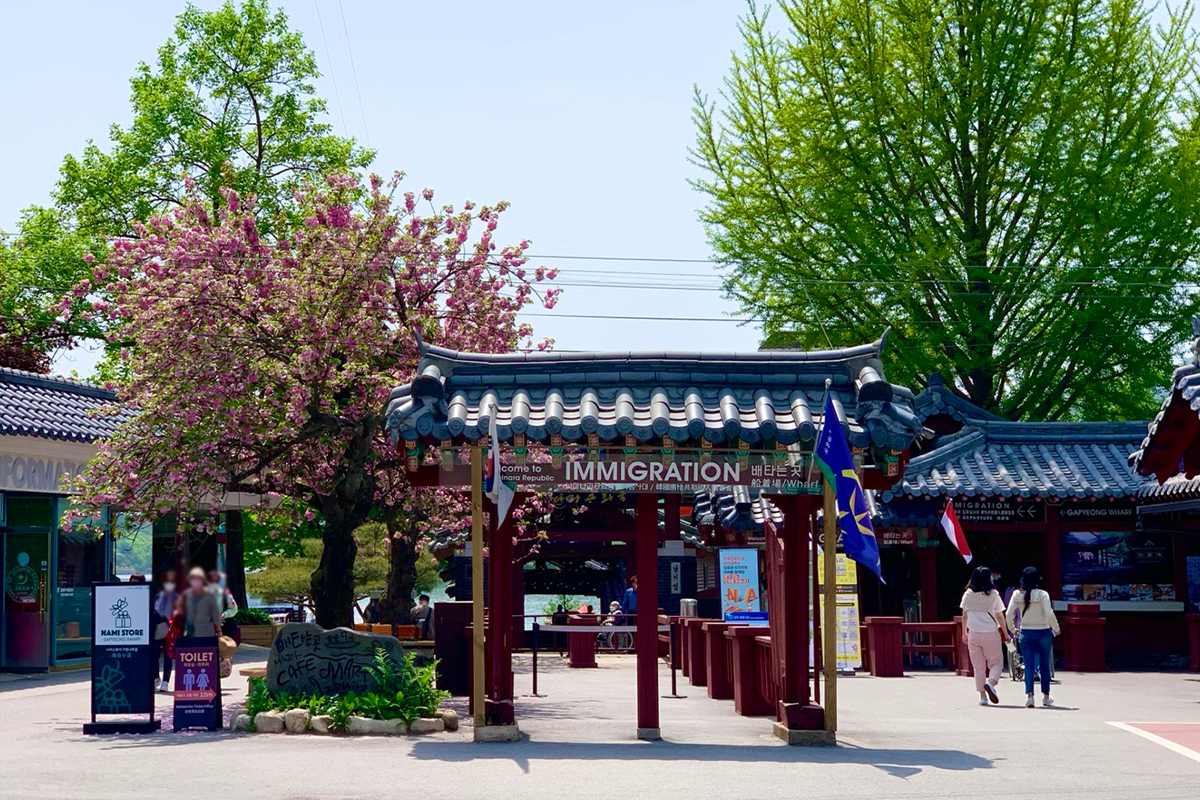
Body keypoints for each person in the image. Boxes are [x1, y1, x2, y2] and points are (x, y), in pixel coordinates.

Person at [1006, 566, 1061, 708]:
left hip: (1026, 632)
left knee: (1029, 665)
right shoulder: (1043, 594)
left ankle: (1030, 697)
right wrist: (1056, 628)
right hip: (1043, 631)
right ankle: (1046, 696)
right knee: (1044, 665)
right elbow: (1049, 613)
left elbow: (1008, 614)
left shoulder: (1017, 594)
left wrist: (1013, 629)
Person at [960, 566, 1007, 706]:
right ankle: (991, 683)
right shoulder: (994, 594)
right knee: (996, 663)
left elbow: (964, 615)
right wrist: (1005, 632)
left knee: (978, 667)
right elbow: (999, 615)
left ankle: (982, 697)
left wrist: (964, 632)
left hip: (973, 633)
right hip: (990, 632)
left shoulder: (968, 594)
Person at [153, 570, 179, 692]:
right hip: (158, 628)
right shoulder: (158, 595)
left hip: (171, 629)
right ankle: (156, 677)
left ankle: (165, 681)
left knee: (168, 655)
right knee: (154, 654)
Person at [184, 567, 223, 638]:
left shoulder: (209, 594)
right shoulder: (188, 595)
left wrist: (219, 632)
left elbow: (215, 615)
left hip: (206, 633)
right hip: (191, 633)